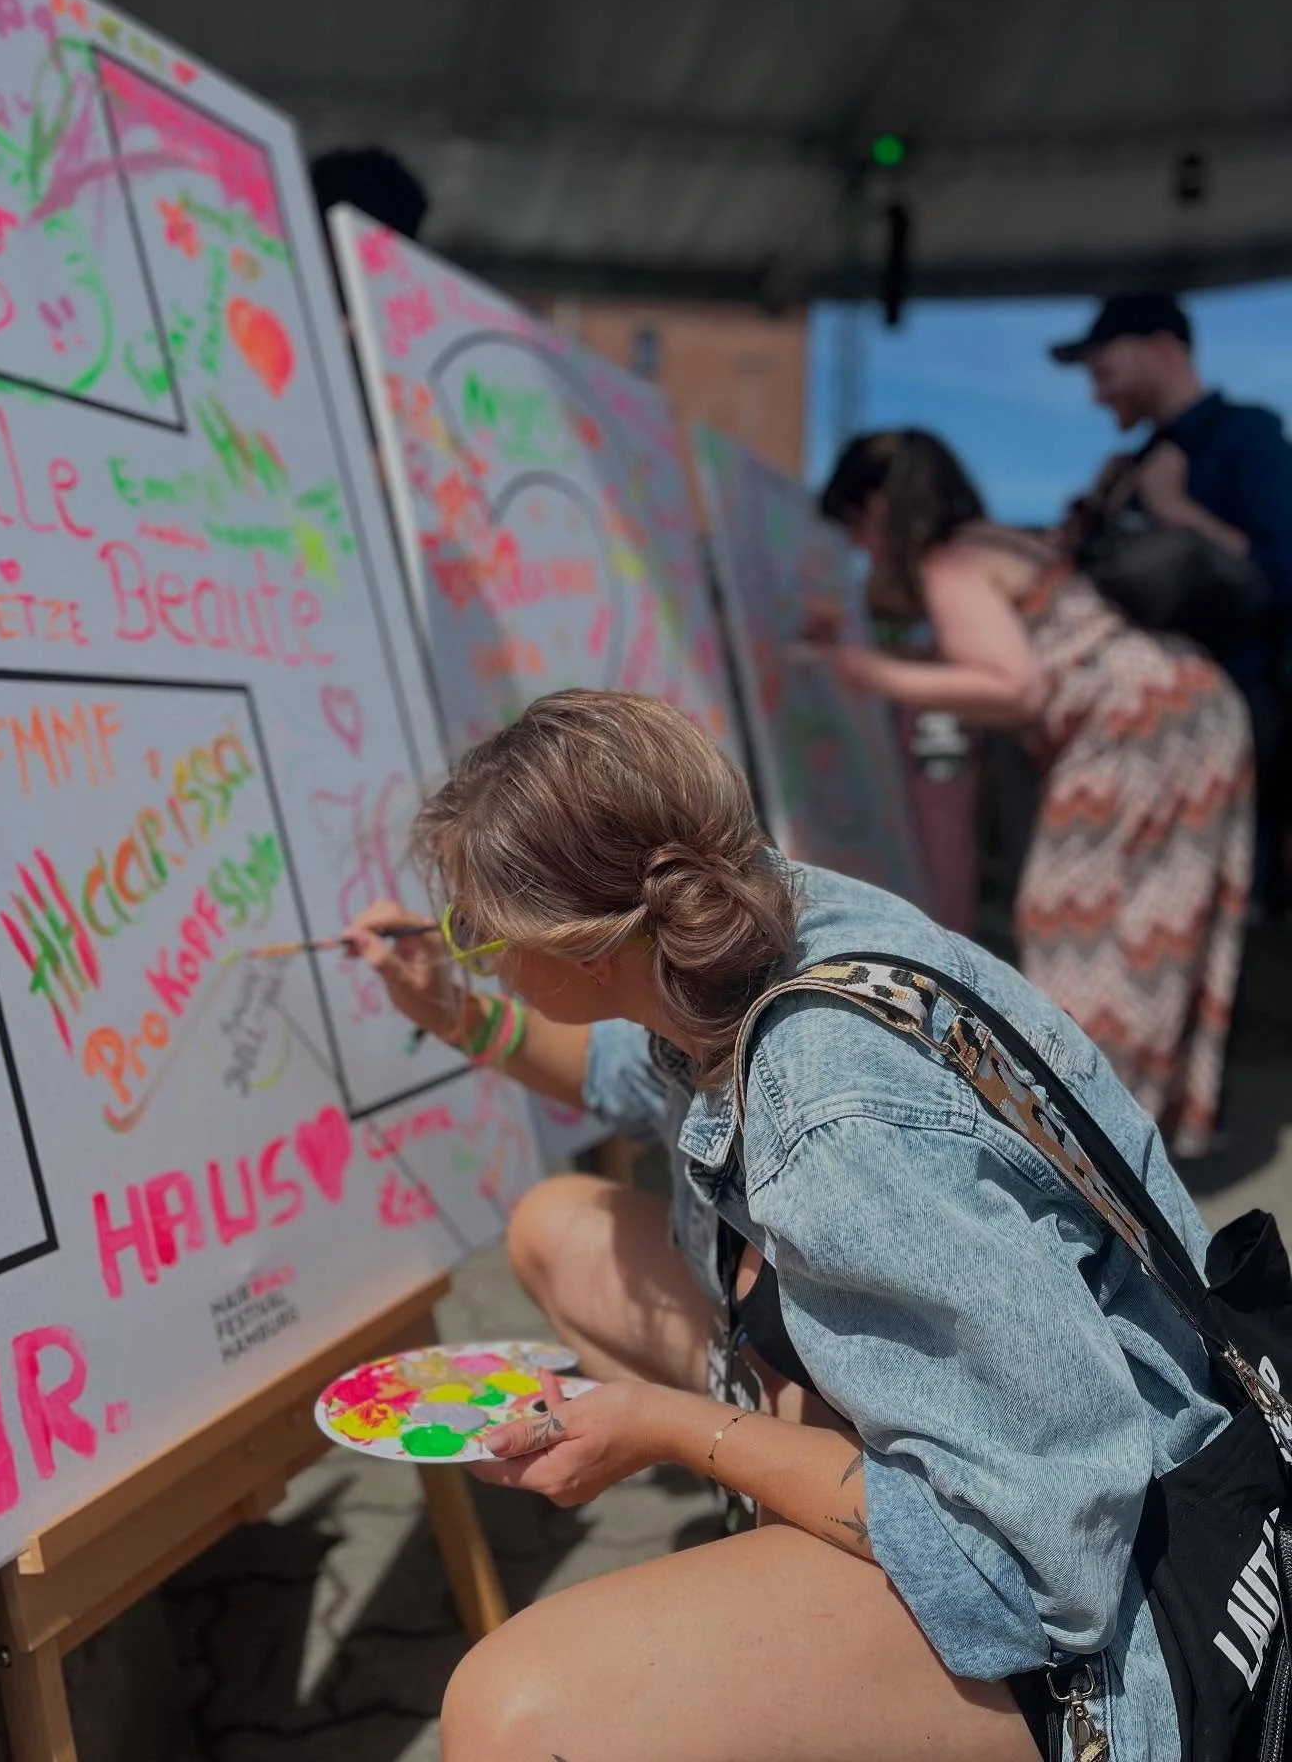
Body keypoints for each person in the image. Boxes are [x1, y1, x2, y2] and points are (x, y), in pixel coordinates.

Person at [342, 689, 1228, 1762]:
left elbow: (1038, 1561)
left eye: (479, 935)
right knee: (555, 1226)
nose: (472, 952)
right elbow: (618, 1072)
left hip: (1117, 1608)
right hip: (1035, 1447)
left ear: (582, 950)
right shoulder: (759, 919)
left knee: (515, 1714)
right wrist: (451, 1005)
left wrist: (670, 1434)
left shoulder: (828, 1110)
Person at [807, 428, 1252, 1162]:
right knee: (1145, 926)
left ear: (880, 506)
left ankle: (1089, 1148)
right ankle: (1125, 1139)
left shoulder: (949, 564)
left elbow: (1016, 686)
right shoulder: (992, 544)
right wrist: (878, 659)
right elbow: (1001, 658)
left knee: (1074, 929)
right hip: (1184, 708)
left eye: (856, 525)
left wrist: (866, 672)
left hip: (1134, 725)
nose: (861, 547)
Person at [1051, 292, 1292, 915]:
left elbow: (1283, 570)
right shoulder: (1131, 465)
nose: (1098, 395)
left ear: (1163, 349)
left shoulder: (1248, 434)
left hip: (1235, 709)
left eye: (1104, 372)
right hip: (1138, 722)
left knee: (1214, 906)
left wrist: (1177, 511)